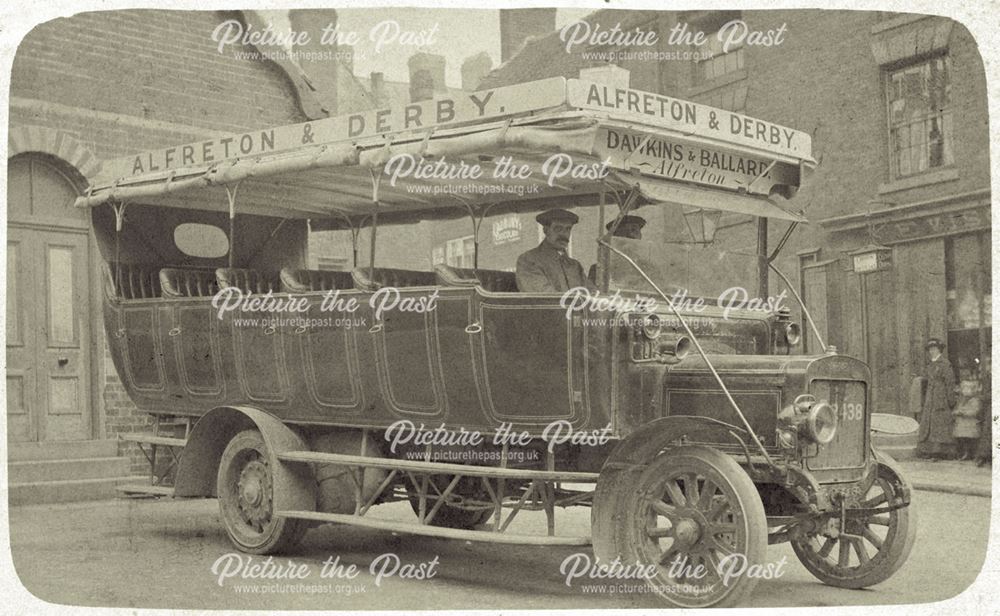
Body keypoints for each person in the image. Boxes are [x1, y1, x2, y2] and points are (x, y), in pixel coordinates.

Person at [516, 209, 595, 293]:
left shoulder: (575, 266)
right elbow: (544, 297)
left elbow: (592, 293)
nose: (564, 234)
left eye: (568, 229)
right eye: (558, 228)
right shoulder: (529, 260)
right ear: (546, 231)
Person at [916, 338, 957, 460]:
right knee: (929, 422)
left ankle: (940, 452)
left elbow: (950, 382)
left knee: (939, 423)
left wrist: (950, 400)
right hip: (930, 396)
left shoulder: (945, 364)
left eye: (934, 349)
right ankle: (928, 451)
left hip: (941, 396)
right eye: (930, 349)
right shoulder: (930, 364)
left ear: (939, 350)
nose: (932, 351)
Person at [588, 214, 647, 282]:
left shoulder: (647, 269)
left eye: (634, 230)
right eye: (625, 236)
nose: (631, 234)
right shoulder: (600, 269)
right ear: (614, 239)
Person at [952, 378, 981, 461]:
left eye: (968, 389)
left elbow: (974, 411)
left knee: (970, 440)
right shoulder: (961, 400)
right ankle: (964, 453)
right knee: (962, 439)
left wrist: (963, 413)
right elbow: (958, 408)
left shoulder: (975, 400)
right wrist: (956, 412)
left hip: (970, 424)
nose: (965, 392)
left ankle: (969, 453)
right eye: (964, 389)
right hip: (962, 424)